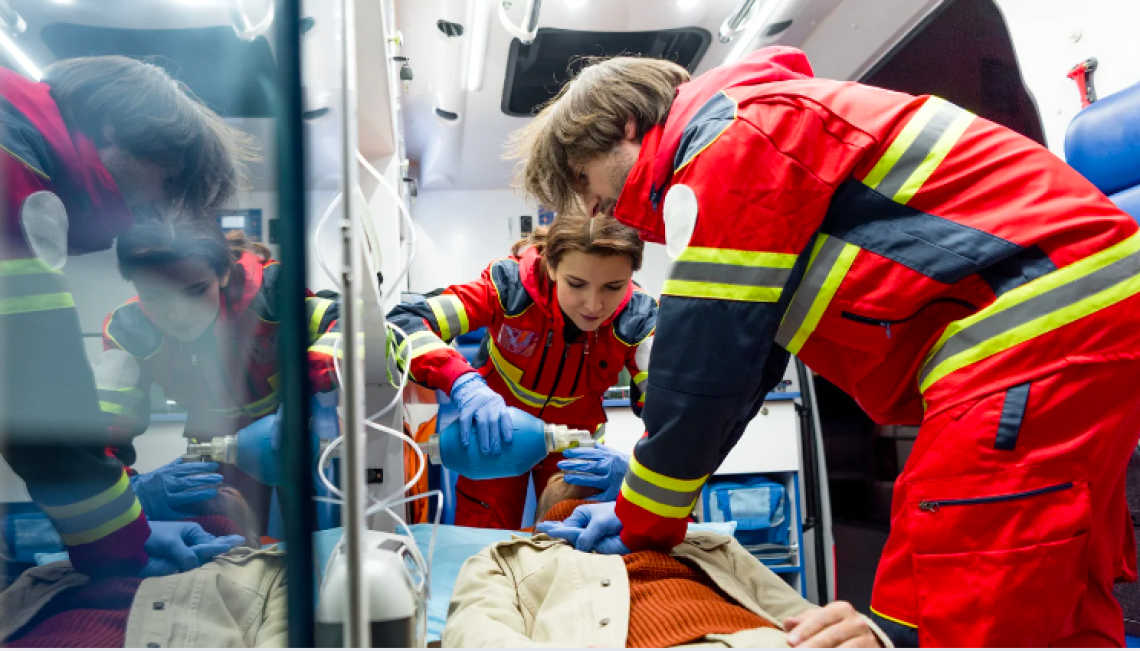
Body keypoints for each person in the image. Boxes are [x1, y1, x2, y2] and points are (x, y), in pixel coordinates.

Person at [507, 46, 1140, 647]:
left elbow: (705, 361)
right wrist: (647, 504)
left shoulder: (731, 140)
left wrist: (645, 515)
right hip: (1064, 314)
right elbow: (746, 365)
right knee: (1045, 585)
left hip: (1035, 323)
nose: (593, 208)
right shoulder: (759, 126)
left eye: (585, 182)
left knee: (959, 563)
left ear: (623, 126)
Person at [0, 55, 254, 579]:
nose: (157, 209)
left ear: (225, 277)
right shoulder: (12, 162)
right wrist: (124, 530)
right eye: (171, 179)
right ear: (116, 128)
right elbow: (39, 387)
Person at [386, 214, 656, 529]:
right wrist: (462, 382)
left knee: (572, 546)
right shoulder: (509, 289)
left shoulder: (638, 321)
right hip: (497, 436)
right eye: (576, 284)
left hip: (575, 449)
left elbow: (672, 408)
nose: (593, 305)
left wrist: (641, 467)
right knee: (482, 545)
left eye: (613, 286)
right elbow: (404, 325)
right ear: (552, 268)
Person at [443, 472, 890, 648]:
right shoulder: (509, 557)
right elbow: (476, 636)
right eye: (565, 479)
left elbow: (809, 621)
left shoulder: (703, 544)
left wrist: (869, 638)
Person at [95, 219, 341, 531]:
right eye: (155, 297)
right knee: (227, 539)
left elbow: (345, 323)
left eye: (195, 291)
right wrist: (127, 490)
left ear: (223, 273)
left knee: (314, 535)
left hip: (295, 429)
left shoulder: (272, 292)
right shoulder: (129, 331)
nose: (178, 314)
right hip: (212, 440)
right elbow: (104, 431)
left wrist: (307, 385)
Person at [0, 490, 287, 648]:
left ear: (253, 537)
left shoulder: (269, 571)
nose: (210, 486)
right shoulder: (63, 569)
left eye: (229, 488)